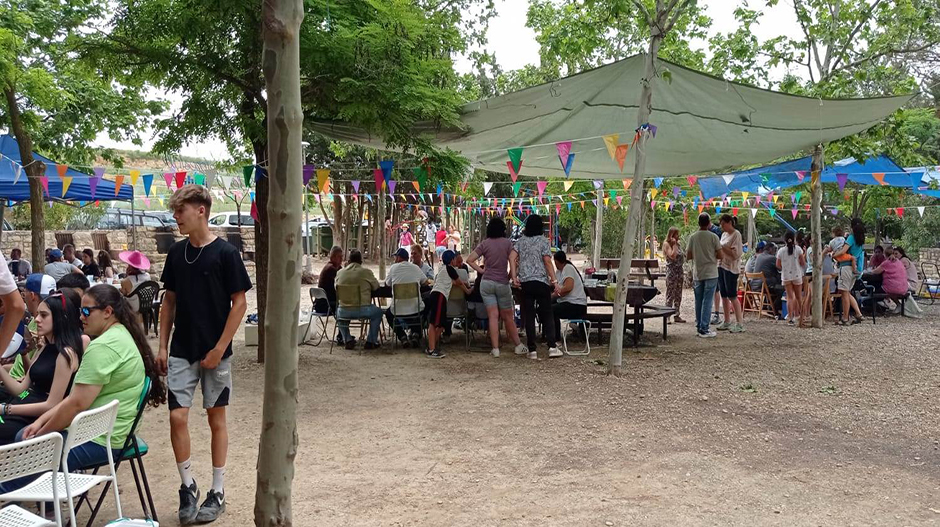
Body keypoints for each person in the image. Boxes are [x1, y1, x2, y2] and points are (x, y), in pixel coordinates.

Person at [158, 185, 251, 524]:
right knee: (176, 417)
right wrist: (163, 346)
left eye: (179, 210)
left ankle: (218, 490)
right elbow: (169, 301)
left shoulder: (227, 253)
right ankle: (188, 486)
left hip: (217, 351)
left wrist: (219, 348)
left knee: (216, 420)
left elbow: (239, 303)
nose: (175, 217)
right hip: (182, 349)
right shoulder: (175, 253)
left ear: (200, 210)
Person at [17, 286, 165, 493]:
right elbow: (73, 401)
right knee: (25, 439)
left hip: (101, 438)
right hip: (112, 433)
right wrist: (41, 423)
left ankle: (25, 508)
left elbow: (75, 405)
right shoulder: (121, 334)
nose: (81, 317)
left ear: (107, 312)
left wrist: (42, 433)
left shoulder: (102, 347)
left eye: (86, 311)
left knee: (22, 446)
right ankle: (42, 506)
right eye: (80, 310)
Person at [0, 289, 87, 444]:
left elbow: (52, 404)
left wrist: (6, 409)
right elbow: (21, 389)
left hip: (34, 418)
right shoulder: (45, 347)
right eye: (38, 314)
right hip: (22, 403)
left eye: (44, 315)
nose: (37, 319)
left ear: (60, 318)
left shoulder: (66, 354)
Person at [468, 217, 527, 358]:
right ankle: (518, 345)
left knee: (492, 316)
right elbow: (514, 261)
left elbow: (469, 259)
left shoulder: (484, 244)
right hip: (502, 283)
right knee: (508, 317)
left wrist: (482, 271)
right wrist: (510, 276)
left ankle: (495, 349)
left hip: (486, 283)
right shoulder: (507, 244)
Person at [510, 215, 559, 359]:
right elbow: (547, 262)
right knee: (547, 313)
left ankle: (532, 350)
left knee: (529, 315)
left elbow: (511, 258)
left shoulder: (520, 242)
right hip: (541, 282)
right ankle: (552, 347)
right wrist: (555, 281)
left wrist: (514, 277)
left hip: (526, 283)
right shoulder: (544, 241)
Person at [424, 250, 472, 359]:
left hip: (437, 295)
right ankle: (432, 350)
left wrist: (463, 285)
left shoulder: (443, 270)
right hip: (439, 296)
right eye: (455, 259)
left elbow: (455, 283)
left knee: (441, 324)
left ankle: (432, 345)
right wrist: (468, 290)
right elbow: (459, 282)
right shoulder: (450, 269)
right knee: (433, 323)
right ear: (452, 260)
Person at [334, 249, 383, 350]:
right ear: (361, 261)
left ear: (349, 261)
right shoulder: (366, 272)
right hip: (363, 310)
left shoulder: (340, 273)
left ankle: (347, 339)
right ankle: (371, 341)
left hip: (344, 311)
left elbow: (336, 288)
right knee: (378, 312)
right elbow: (376, 286)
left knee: (338, 312)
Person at [9, 275, 55, 378]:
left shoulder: (42, 328)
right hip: (17, 383)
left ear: (32, 295)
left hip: (24, 391)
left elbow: (30, 380)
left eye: (24, 294)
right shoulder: (35, 321)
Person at [686, 213, 723, 338]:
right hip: (711, 271)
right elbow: (720, 255)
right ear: (708, 223)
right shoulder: (714, 237)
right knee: (708, 300)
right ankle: (705, 328)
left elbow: (688, 256)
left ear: (698, 223)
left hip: (698, 271)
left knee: (698, 300)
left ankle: (699, 325)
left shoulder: (693, 237)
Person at [385, 248, 428, 347]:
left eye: (395, 257)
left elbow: (387, 284)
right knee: (425, 306)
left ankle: (402, 337)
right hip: (416, 309)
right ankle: (416, 334)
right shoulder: (415, 268)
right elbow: (425, 282)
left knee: (388, 314)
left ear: (399, 258)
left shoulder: (393, 268)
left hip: (397, 309)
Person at [831, 220, 865, 325]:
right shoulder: (861, 239)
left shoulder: (851, 237)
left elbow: (843, 250)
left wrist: (834, 255)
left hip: (846, 267)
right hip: (856, 268)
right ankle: (859, 314)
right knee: (847, 292)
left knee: (844, 293)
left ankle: (845, 318)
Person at [551, 251, 587, 340]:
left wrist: (556, 294)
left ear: (557, 261)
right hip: (567, 301)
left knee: (551, 310)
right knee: (546, 305)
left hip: (576, 304)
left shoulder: (568, 268)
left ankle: (556, 338)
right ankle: (549, 335)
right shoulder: (559, 271)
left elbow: (568, 287)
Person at [717, 215, 744, 332]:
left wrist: (722, 247)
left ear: (729, 223)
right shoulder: (723, 235)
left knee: (732, 295)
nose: (722, 227)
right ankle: (727, 320)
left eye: (723, 224)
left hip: (731, 268)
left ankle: (739, 323)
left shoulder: (736, 235)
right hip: (721, 266)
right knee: (723, 294)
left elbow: (735, 254)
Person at [776, 231, 806, 325]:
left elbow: (778, 264)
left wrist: (784, 268)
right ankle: (801, 317)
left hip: (786, 276)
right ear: (794, 239)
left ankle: (790, 318)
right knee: (798, 296)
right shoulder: (798, 249)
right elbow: (803, 263)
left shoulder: (781, 251)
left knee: (789, 297)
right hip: (797, 274)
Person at [662, 227, 686, 324]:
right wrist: (674, 245)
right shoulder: (667, 244)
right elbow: (672, 256)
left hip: (679, 271)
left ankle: (677, 314)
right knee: (670, 294)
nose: (678, 236)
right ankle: (667, 315)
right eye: (676, 234)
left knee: (678, 294)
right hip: (671, 271)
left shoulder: (678, 244)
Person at [317, 246, 343, 315]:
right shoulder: (331, 269)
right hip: (326, 305)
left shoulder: (334, 267)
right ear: (333, 257)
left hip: (323, 303)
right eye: (339, 257)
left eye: (342, 257)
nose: (341, 259)